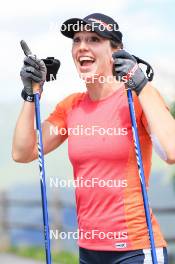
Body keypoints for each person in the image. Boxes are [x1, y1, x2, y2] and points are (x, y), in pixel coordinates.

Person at [12, 13, 175, 264]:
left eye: (94, 39)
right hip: (88, 251)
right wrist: (30, 93)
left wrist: (141, 84)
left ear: (117, 51)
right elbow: (23, 152)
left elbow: (171, 151)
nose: (82, 46)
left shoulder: (137, 100)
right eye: (77, 40)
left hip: (135, 249)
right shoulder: (71, 107)